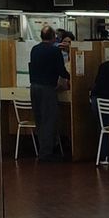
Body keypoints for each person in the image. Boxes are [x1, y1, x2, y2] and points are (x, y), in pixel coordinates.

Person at [27, 25, 68, 162]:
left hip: (34, 87)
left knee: (39, 120)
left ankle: (42, 150)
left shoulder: (34, 49)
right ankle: (46, 154)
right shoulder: (54, 51)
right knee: (49, 120)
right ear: (53, 37)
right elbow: (62, 71)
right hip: (47, 89)